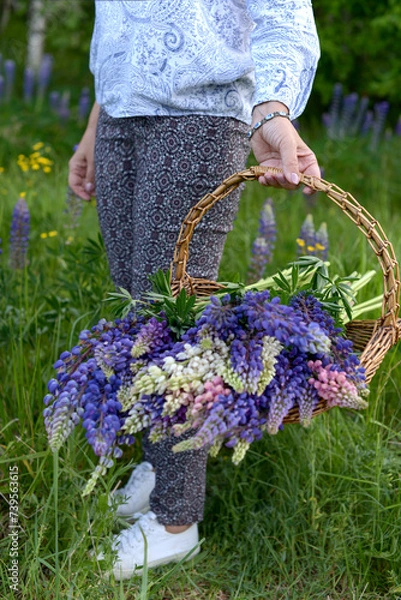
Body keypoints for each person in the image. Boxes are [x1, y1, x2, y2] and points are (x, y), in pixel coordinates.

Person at [69, 0, 321, 580]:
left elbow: (283, 14)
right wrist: (93, 128)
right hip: (120, 120)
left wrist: (272, 112)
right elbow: (121, 26)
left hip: (199, 116)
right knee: (136, 310)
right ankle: (163, 467)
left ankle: (176, 522)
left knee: (171, 318)